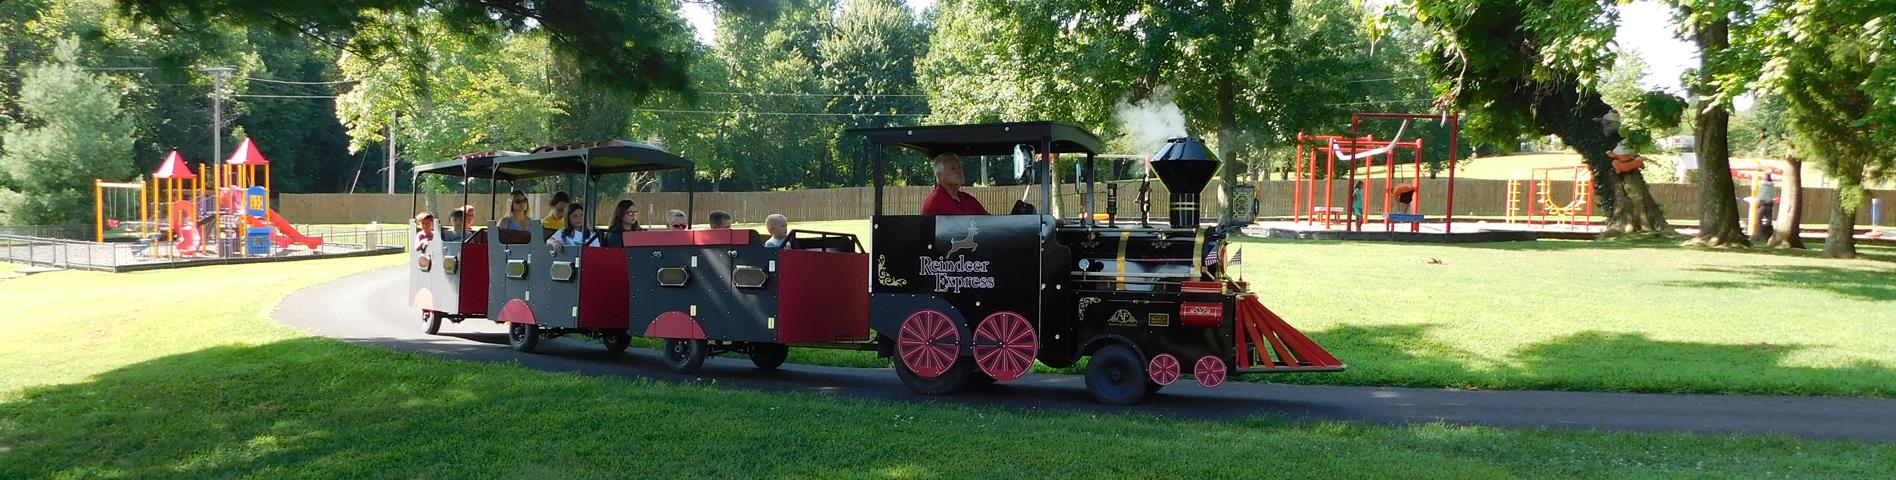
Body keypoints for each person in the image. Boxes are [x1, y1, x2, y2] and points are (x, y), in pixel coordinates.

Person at [921, 153, 989, 215]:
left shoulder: (968, 199)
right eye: (953, 168)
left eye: (959, 167)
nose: (958, 171)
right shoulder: (935, 202)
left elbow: (989, 220)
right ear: (940, 176)